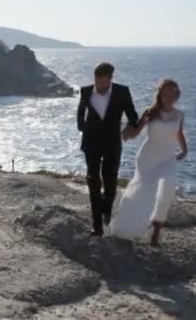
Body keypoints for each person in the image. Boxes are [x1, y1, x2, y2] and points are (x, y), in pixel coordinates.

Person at [110, 79, 188, 246]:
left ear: (177, 95)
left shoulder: (179, 114)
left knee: (166, 191)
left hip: (167, 159)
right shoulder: (150, 112)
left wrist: (184, 150)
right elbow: (136, 132)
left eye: (172, 94)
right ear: (160, 94)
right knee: (141, 193)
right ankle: (125, 225)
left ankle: (156, 233)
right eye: (165, 93)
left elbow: (179, 133)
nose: (168, 97)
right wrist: (122, 134)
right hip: (147, 159)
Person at [77, 62, 139, 237]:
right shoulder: (86, 91)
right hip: (91, 142)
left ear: (111, 79)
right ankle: (97, 226)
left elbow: (133, 115)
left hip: (112, 142)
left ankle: (107, 208)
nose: (104, 85)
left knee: (110, 179)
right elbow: (81, 111)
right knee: (93, 180)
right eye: (101, 81)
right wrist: (82, 127)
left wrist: (130, 126)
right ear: (95, 78)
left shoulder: (122, 91)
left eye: (107, 82)